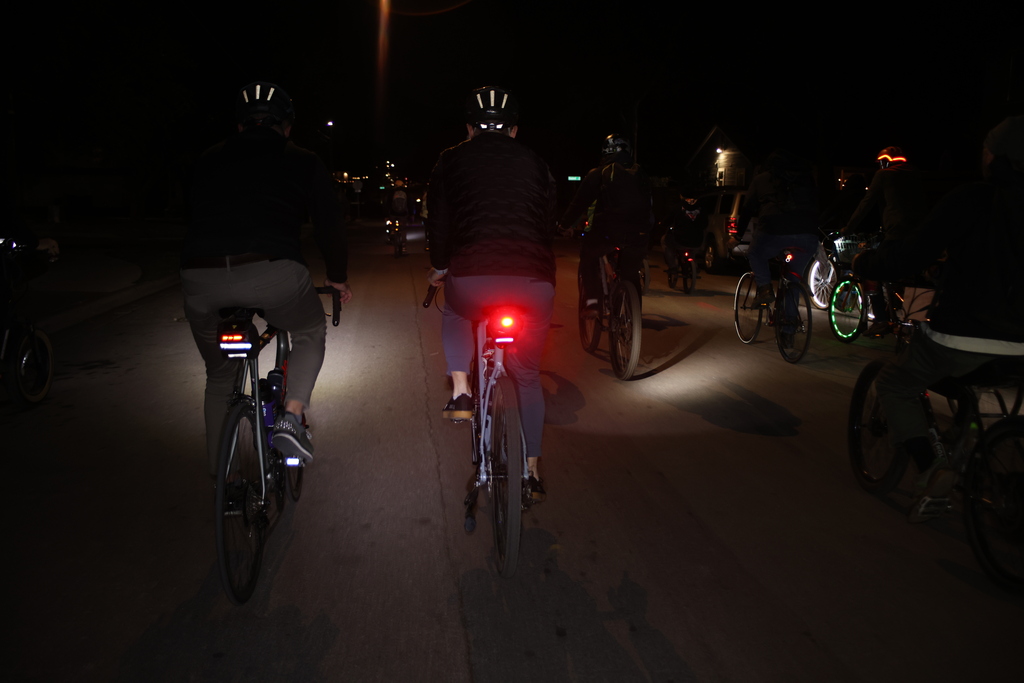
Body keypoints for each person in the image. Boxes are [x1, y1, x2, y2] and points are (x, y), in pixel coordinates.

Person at [852, 116, 1024, 520]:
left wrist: (865, 262)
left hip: (963, 329)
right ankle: (968, 438)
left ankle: (933, 468)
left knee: (895, 381)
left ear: (997, 157)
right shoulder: (921, 180)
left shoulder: (972, 198)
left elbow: (910, 251)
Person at [181, 81, 351, 477]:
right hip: (273, 269)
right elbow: (329, 225)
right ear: (287, 127)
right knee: (309, 330)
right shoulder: (302, 158)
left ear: (240, 126)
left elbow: (193, 212)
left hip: (199, 275)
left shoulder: (208, 158)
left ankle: (222, 481)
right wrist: (337, 277)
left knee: (219, 376)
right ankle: (291, 416)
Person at [426, 85, 556, 501]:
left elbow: (439, 220)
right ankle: (531, 471)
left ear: (469, 129)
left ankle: (461, 390)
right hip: (534, 279)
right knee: (528, 375)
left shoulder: (450, 159)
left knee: (456, 312)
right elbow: (547, 221)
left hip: (473, 273)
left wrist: (440, 266)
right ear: (514, 130)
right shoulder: (537, 162)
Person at [842, 146, 928, 335]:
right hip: (922, 235)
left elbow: (866, 204)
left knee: (870, 268)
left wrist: (848, 229)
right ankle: (914, 320)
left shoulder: (884, 175)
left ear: (886, 161)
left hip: (897, 234)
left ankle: (881, 319)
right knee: (914, 276)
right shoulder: (916, 174)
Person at [561, 135, 652, 311]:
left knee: (589, 255)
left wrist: (564, 225)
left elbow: (579, 204)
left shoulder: (598, 173)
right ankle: (633, 313)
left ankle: (592, 303)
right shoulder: (641, 174)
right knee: (631, 274)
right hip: (639, 234)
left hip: (609, 232)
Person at [737, 149, 820, 309]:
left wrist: (738, 236)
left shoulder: (761, 179)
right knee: (793, 277)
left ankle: (765, 289)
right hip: (808, 233)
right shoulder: (806, 178)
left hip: (773, 229)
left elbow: (747, 209)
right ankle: (790, 321)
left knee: (755, 253)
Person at [662, 192, 706, 286]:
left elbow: (667, 221)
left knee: (665, 242)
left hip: (679, 240)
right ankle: (693, 265)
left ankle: (672, 267)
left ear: (681, 196)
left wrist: (662, 224)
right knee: (693, 251)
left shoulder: (677, 207)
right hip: (697, 240)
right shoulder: (702, 208)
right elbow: (705, 224)